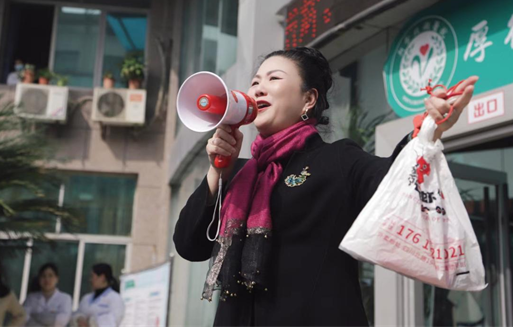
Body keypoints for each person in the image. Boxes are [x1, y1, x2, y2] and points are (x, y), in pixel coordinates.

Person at [173, 47, 478, 326]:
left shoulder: (337, 160)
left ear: (309, 99)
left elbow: (395, 179)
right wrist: (217, 172)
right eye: (255, 82)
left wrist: (427, 131)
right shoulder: (238, 174)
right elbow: (189, 245)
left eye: (274, 78)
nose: (258, 88)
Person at [23, 263, 72, 327]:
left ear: (57, 279)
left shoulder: (65, 298)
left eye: (50, 275)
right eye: (43, 276)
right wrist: (51, 317)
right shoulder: (31, 298)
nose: (47, 279)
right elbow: (24, 320)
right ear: (39, 279)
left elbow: (61, 322)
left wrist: (34, 316)